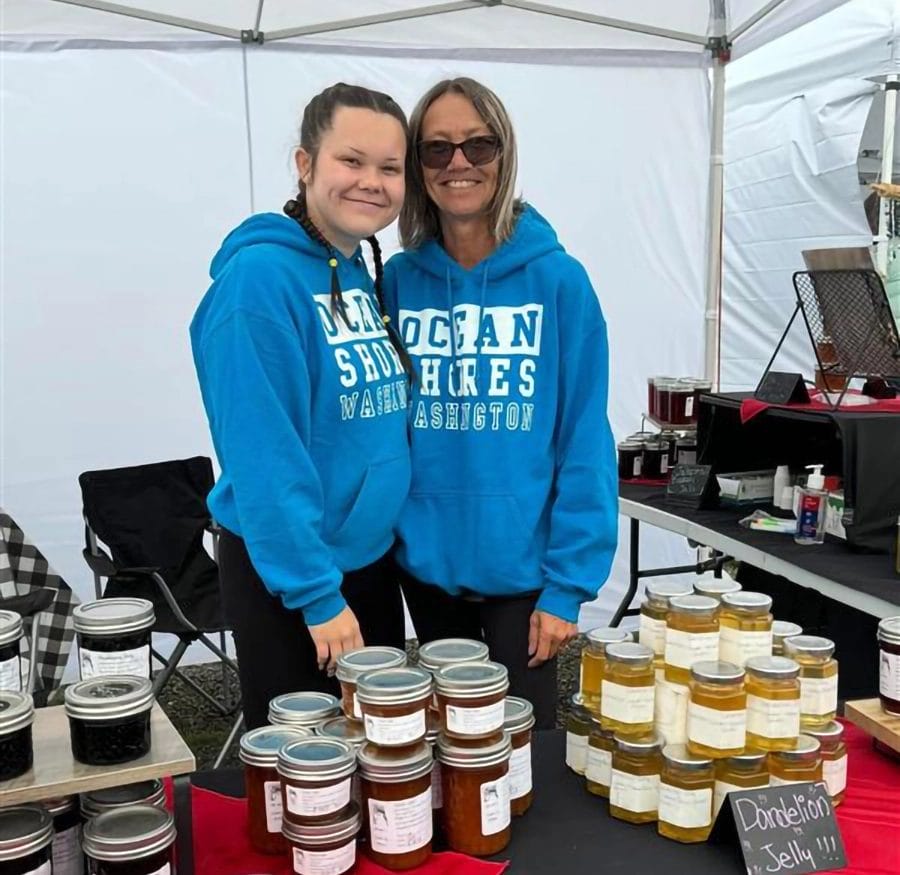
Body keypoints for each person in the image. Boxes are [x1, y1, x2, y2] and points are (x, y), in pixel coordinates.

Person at [384, 77, 618, 729]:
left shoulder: (559, 281)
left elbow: (584, 440)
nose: (458, 163)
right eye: (436, 150)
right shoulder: (397, 283)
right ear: (417, 166)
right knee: (445, 743)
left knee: (522, 754)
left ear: (503, 153)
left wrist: (569, 583)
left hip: (525, 572)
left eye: (477, 145)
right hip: (425, 566)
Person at [190, 83, 414, 729]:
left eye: (389, 168)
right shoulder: (257, 283)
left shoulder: (354, 270)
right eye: (352, 160)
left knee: (377, 752)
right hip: (294, 576)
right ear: (305, 163)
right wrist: (317, 593)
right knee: (308, 777)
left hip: (366, 562)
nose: (371, 181)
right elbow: (265, 457)